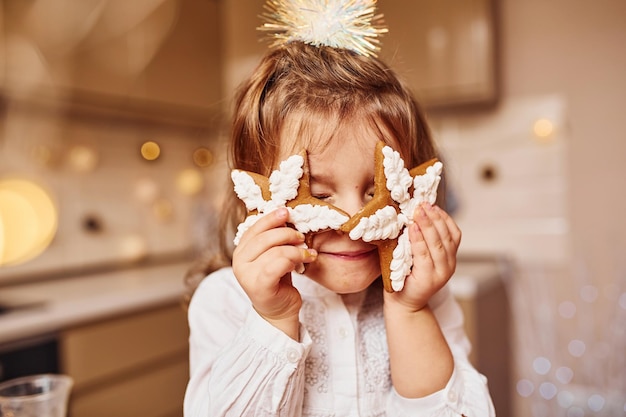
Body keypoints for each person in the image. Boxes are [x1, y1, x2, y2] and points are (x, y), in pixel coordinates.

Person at [183, 1, 495, 416]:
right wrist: (274, 318)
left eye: (373, 193)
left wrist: (408, 310)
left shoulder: (425, 297)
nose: (354, 222)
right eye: (320, 195)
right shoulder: (224, 301)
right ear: (256, 196)